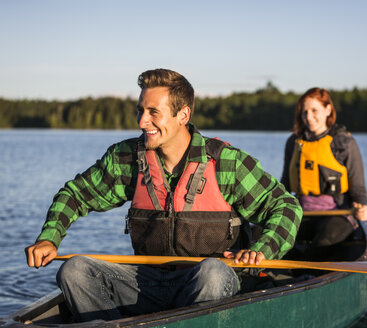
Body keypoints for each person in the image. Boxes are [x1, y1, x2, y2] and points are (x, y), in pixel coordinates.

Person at [25, 68, 302, 322]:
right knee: (74, 271)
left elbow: (285, 206)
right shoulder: (127, 158)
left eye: (153, 112)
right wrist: (50, 237)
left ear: (183, 115)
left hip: (208, 285)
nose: (142, 121)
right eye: (140, 110)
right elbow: (75, 195)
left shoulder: (227, 162)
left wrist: (262, 250)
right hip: (147, 284)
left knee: (213, 272)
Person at [281, 87, 367, 251]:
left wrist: (361, 207)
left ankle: (307, 273)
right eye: (304, 112)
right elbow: (284, 185)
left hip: (337, 214)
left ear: (328, 110)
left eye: (314, 110)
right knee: (265, 235)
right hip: (302, 213)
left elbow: (358, 188)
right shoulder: (293, 142)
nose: (309, 117)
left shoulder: (344, 143)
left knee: (323, 241)